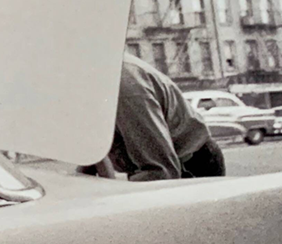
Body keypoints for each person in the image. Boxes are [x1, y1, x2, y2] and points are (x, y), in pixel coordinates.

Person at [94, 52, 226, 181]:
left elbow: (161, 171)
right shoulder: (98, 73)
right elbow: (90, 151)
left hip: (193, 164)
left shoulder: (121, 85)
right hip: (174, 161)